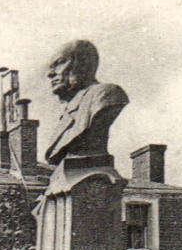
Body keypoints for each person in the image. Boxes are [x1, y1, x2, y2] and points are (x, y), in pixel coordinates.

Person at [43, 39, 129, 167]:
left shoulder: (105, 94)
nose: (50, 74)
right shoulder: (69, 110)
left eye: (59, 63)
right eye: (51, 67)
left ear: (83, 63)